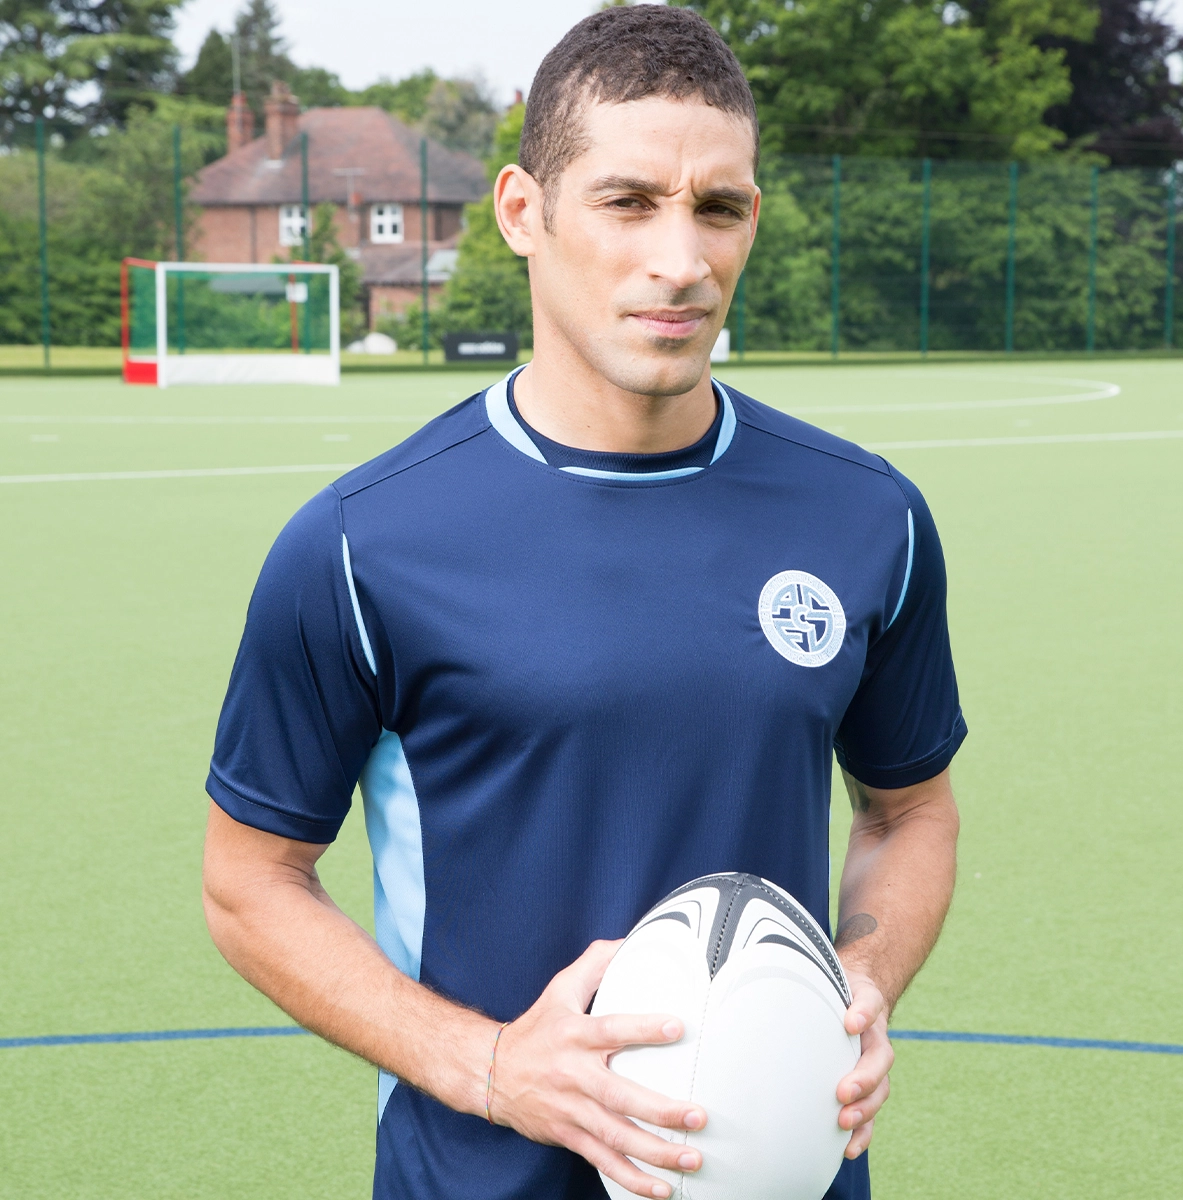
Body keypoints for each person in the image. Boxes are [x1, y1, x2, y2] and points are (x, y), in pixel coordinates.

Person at [201, 8, 965, 1200]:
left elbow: (907, 813)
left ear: (752, 218)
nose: (683, 258)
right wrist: (493, 1066)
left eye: (719, 207)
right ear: (522, 210)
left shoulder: (869, 518)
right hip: (477, 1179)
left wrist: (859, 978)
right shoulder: (360, 545)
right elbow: (250, 882)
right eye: (627, 201)